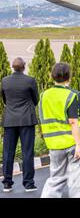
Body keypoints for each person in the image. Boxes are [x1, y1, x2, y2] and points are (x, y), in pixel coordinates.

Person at [40, 63, 80, 198]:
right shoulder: (71, 95)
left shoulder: (44, 95)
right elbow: (73, 121)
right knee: (77, 182)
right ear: (69, 77)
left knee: (55, 180)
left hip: (54, 144)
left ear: (52, 76)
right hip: (73, 143)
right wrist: (79, 145)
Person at [1, 57, 39, 193]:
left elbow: (5, 100)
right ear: (24, 66)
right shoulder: (30, 80)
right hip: (26, 120)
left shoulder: (4, 81)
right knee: (27, 152)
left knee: (8, 152)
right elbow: (36, 99)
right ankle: (28, 184)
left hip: (10, 120)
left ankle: (7, 183)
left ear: (12, 67)